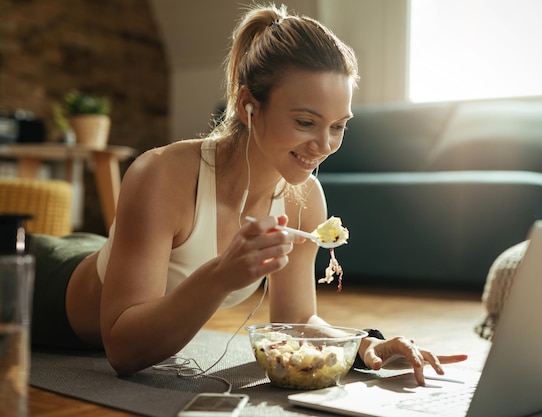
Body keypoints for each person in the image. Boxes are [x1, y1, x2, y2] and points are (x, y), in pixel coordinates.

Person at [29, 3, 467, 384]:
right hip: (44, 284)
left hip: (101, 254)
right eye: (305, 122)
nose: (324, 145)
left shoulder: (304, 198)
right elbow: (122, 350)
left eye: (338, 126)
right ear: (247, 106)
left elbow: (296, 320)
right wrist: (221, 274)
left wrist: (364, 345)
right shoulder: (161, 174)